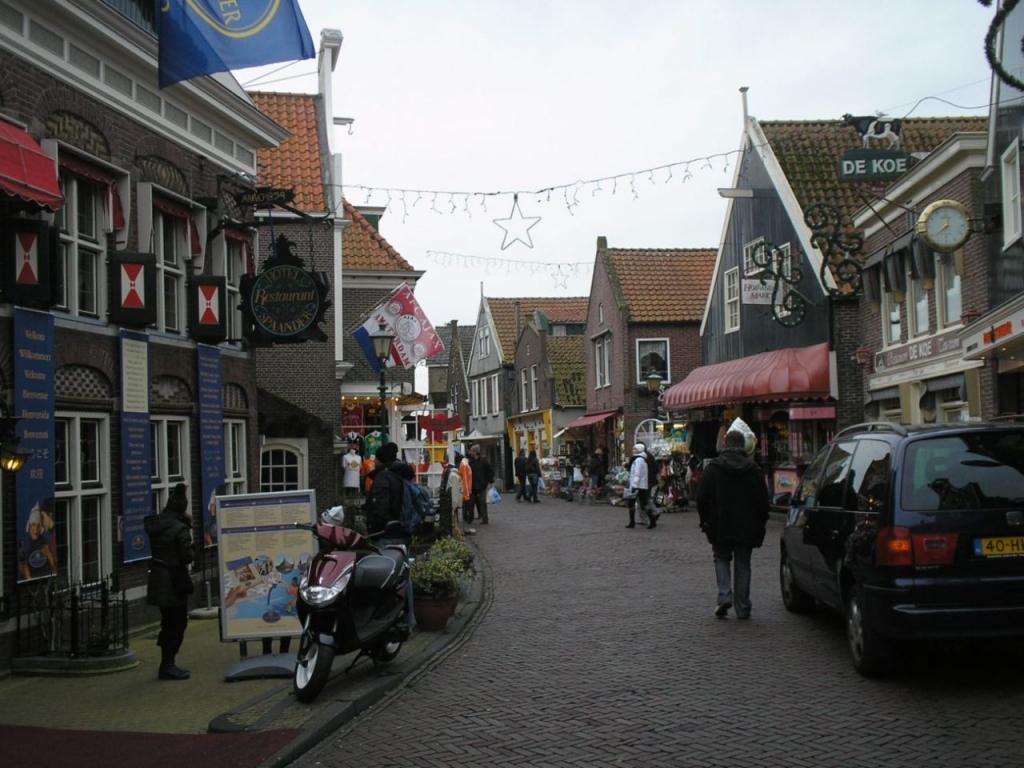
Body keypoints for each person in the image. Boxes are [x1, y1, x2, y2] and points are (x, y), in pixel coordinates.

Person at [696, 429, 770, 620]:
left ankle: (724, 596)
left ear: (725, 444)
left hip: (720, 524)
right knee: (743, 563)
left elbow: (702, 498)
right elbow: (763, 501)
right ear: (743, 446)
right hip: (747, 525)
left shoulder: (713, 469)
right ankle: (742, 607)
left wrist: (705, 520)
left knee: (721, 558)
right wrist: (761, 521)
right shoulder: (753, 470)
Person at [145, 483, 194, 680]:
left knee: (168, 622)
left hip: (157, 578)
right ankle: (168, 665)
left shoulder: (156, 524)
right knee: (178, 623)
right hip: (174, 581)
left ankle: (166, 663)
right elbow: (187, 556)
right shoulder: (179, 528)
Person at [363, 442, 415, 534]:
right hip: (405, 528)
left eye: (376, 458)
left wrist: (376, 530)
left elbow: (381, 506)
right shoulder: (401, 473)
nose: (374, 461)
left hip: (387, 532)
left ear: (380, 460)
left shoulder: (383, 478)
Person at [625, 443, 654, 529]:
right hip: (641, 485)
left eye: (635, 449)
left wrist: (634, 485)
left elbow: (637, 473)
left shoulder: (638, 460)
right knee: (641, 504)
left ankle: (650, 521)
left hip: (638, 485)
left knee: (639, 504)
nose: (632, 450)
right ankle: (650, 521)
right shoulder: (642, 460)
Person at [467, 444, 494, 525]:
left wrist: (490, 481)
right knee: (471, 503)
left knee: (482, 502)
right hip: (472, 485)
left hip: (482, 485)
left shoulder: (483, 462)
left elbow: (489, 471)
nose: (470, 452)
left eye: (471, 451)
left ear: (475, 452)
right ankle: (470, 518)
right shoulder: (469, 462)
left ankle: (485, 518)